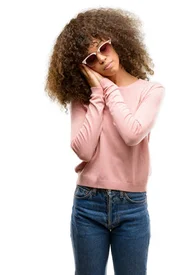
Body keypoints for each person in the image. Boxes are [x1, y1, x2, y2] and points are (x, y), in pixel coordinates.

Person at [45, 8, 164, 275]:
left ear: (116, 41)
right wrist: (97, 94)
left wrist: (107, 88)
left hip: (132, 207)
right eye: (92, 58)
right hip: (88, 204)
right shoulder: (84, 98)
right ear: (85, 67)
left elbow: (132, 133)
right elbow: (83, 150)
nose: (102, 59)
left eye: (104, 48)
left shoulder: (150, 91)